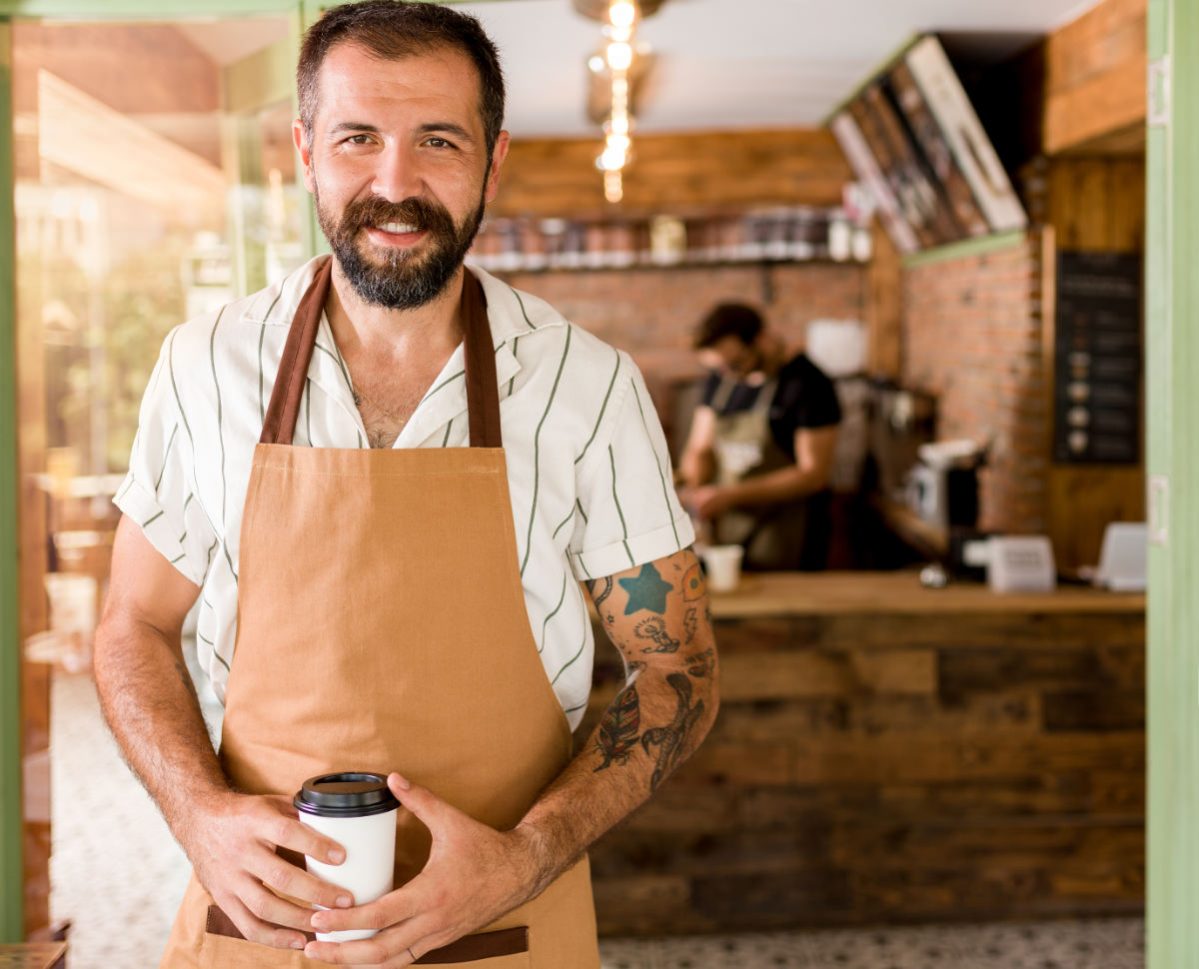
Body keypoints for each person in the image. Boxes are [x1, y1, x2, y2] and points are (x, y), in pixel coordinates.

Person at [92, 4, 718, 967]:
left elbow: (678, 666)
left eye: (437, 140)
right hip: (262, 931)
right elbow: (132, 622)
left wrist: (527, 855)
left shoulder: (585, 387)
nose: (395, 183)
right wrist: (198, 812)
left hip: (506, 924)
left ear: (492, 161)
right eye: (357, 139)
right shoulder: (203, 365)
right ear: (305, 150)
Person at [678, 303, 841, 571]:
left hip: (788, 529)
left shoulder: (808, 383)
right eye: (720, 368)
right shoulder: (722, 380)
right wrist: (695, 495)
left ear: (763, 340)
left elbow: (813, 474)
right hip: (729, 525)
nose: (729, 374)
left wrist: (730, 495)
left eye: (736, 363)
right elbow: (700, 448)